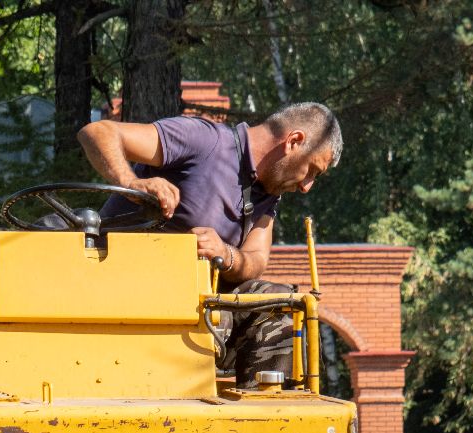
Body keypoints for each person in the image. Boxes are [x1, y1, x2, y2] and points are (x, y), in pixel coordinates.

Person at [77, 102, 342, 383]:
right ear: (294, 141)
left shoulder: (268, 193)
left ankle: (262, 414)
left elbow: (255, 260)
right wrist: (132, 183)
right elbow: (97, 132)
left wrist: (225, 254)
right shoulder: (205, 141)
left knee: (278, 305)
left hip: (196, 309)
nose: (306, 187)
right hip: (120, 292)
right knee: (212, 317)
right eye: (312, 170)